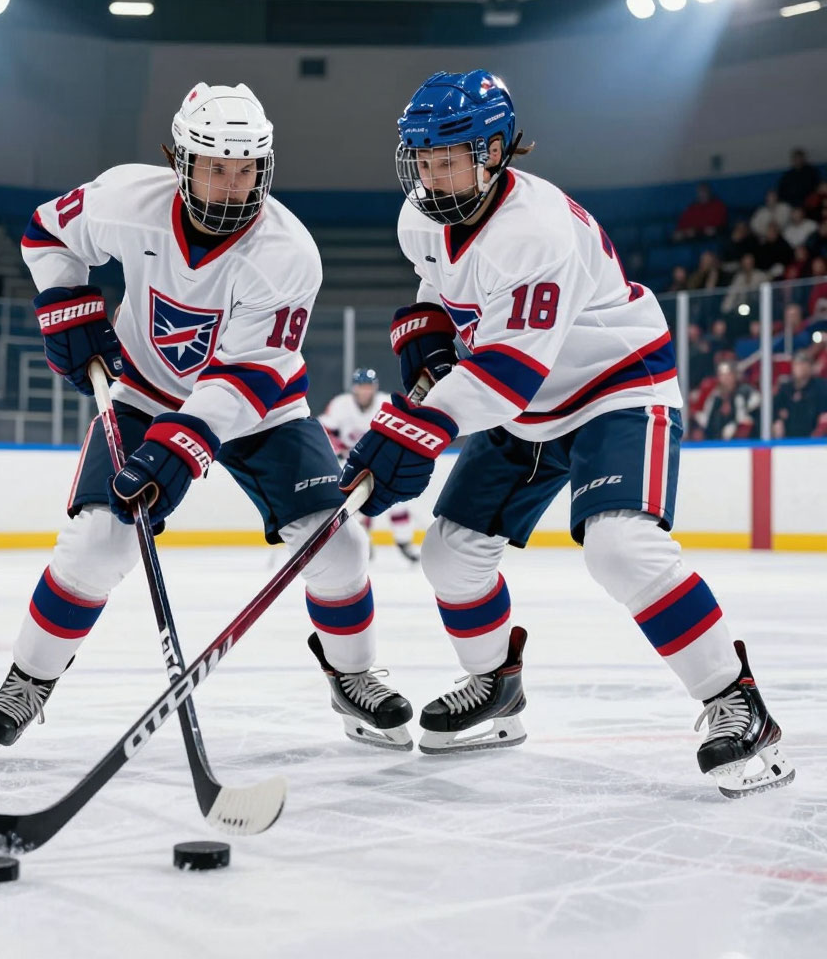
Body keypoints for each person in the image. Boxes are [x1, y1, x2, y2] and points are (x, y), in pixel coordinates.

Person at [341, 69, 793, 797]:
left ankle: (736, 703)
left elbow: (507, 375)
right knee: (451, 557)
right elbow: (444, 294)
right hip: (525, 406)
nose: (431, 175)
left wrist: (416, 427)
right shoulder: (420, 219)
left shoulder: (537, 230)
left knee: (620, 546)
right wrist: (425, 333)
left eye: (447, 157)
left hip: (614, 386)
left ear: (494, 152)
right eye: (421, 159)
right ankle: (496, 688)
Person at [0, 82, 412, 766]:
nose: (232, 187)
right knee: (98, 543)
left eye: (246, 171)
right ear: (181, 160)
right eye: (214, 167)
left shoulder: (287, 252)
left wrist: (184, 445)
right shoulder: (127, 200)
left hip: (262, 408)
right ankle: (27, 681)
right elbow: (48, 232)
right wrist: (65, 296)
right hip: (144, 392)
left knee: (339, 547)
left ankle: (351, 674)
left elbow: (247, 376)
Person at [320, 368, 419, 562]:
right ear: (354, 388)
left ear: (375, 387)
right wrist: (338, 447)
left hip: (382, 464)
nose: (365, 391)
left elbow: (401, 433)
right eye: (361, 386)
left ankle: (404, 542)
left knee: (397, 505)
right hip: (352, 465)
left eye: (368, 386)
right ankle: (364, 543)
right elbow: (324, 429)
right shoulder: (341, 405)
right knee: (356, 507)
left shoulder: (386, 403)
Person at [695, 362, 759, 441]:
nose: (725, 379)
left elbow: (749, 415)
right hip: (718, 441)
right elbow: (707, 420)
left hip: (746, 439)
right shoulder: (715, 397)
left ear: (734, 376)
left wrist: (734, 426)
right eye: (722, 375)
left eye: (728, 375)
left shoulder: (746, 392)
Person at [772, 351, 827, 439]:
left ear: (810, 366)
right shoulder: (786, 388)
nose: (800, 368)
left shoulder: (821, 387)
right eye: (797, 364)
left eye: (803, 364)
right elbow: (773, 408)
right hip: (788, 440)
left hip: (815, 441)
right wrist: (777, 419)